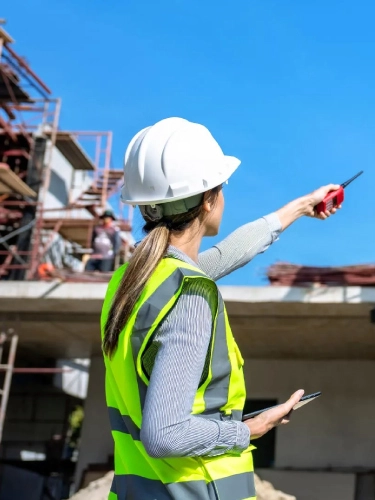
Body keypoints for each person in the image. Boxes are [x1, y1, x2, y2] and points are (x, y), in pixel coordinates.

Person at [100, 117, 342, 498]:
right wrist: (251, 428)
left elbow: (227, 254)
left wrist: (301, 206)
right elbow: (165, 435)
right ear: (209, 199)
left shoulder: (132, 281)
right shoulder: (190, 295)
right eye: (221, 187)